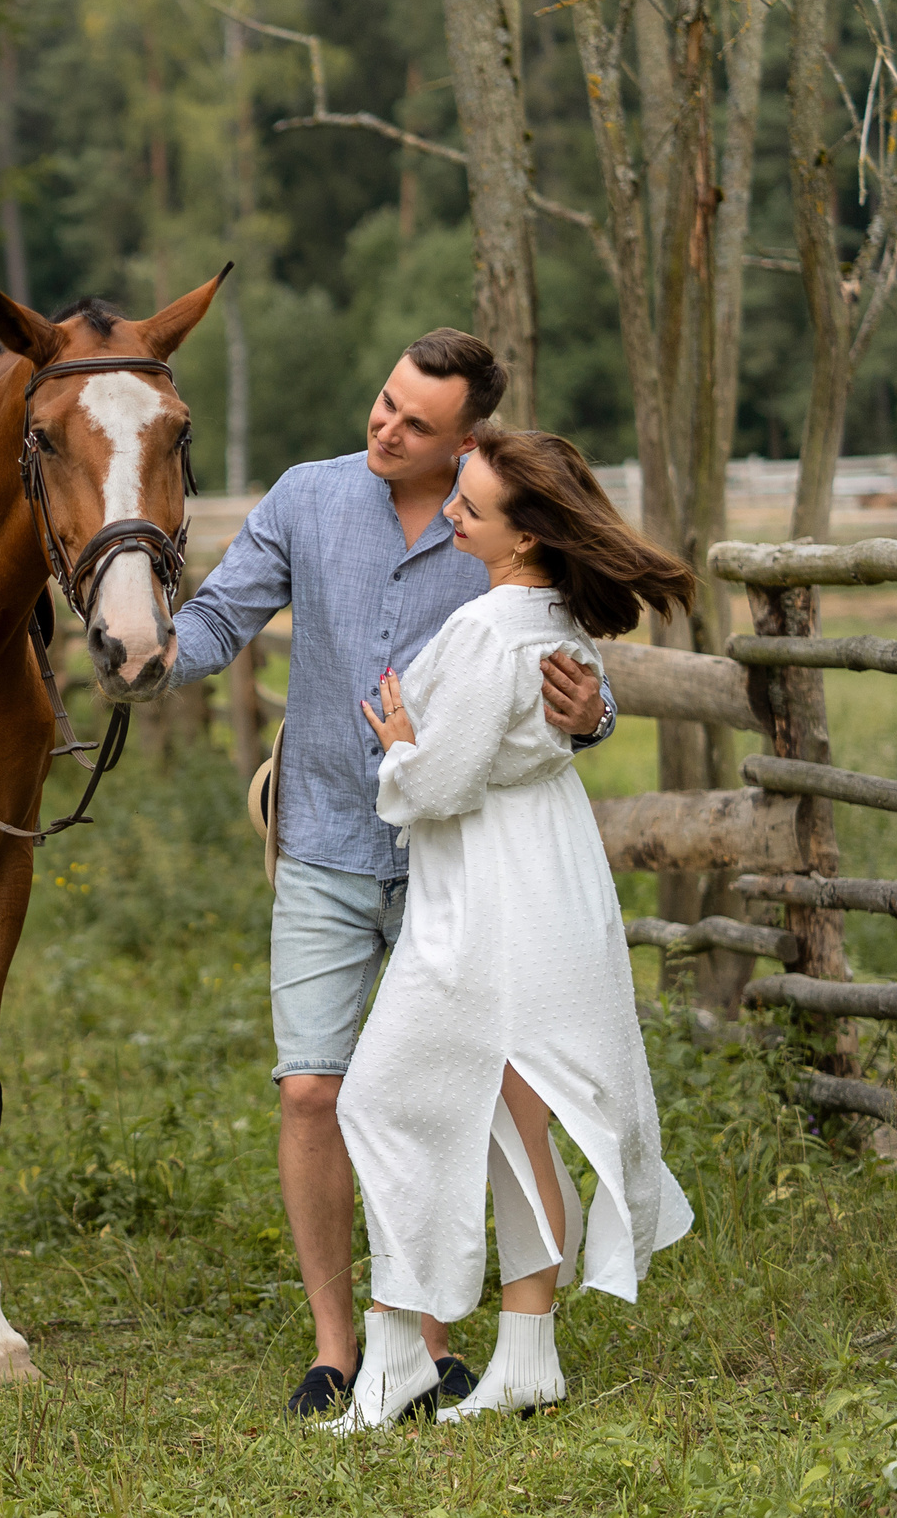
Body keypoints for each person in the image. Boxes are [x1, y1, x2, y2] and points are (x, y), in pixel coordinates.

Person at [167, 330, 614, 1419]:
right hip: (322, 840)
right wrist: (145, 654)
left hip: (453, 866)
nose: (384, 427)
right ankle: (340, 1346)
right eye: (382, 403)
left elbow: (559, 654)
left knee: (471, 1099)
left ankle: (425, 1342)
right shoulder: (308, 499)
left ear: (464, 441)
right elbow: (222, 616)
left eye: (416, 424)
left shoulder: (488, 532)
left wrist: (593, 713)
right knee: (317, 1091)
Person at [323, 428, 696, 1431]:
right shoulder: (551, 614)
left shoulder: (492, 628)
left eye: (470, 508)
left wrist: (399, 747)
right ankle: (516, 1355)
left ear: (524, 535)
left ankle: (400, 1353)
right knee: (502, 1117)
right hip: (542, 878)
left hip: (492, 900)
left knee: (379, 1104)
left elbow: (440, 784)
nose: (450, 513)